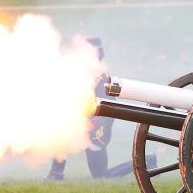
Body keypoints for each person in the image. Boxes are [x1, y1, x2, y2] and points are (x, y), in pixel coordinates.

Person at [45, 38, 136, 181]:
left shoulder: (103, 79)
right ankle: (56, 173)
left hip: (96, 129)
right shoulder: (77, 74)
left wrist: (96, 125)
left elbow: (109, 107)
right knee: (62, 132)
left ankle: (147, 162)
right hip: (81, 123)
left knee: (100, 176)